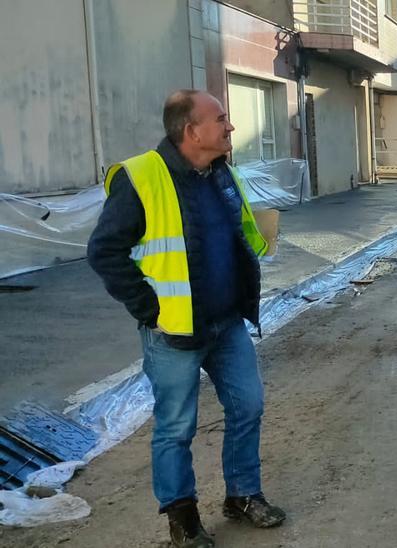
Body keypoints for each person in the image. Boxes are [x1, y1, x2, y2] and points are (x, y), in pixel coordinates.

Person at [87, 89, 286, 547]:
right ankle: (183, 519)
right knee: (176, 426)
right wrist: (148, 309)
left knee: (249, 406)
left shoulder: (222, 174)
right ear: (191, 131)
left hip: (227, 323)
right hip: (174, 332)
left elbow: (237, 235)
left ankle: (242, 495)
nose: (230, 126)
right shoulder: (141, 178)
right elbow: (104, 251)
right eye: (220, 118)